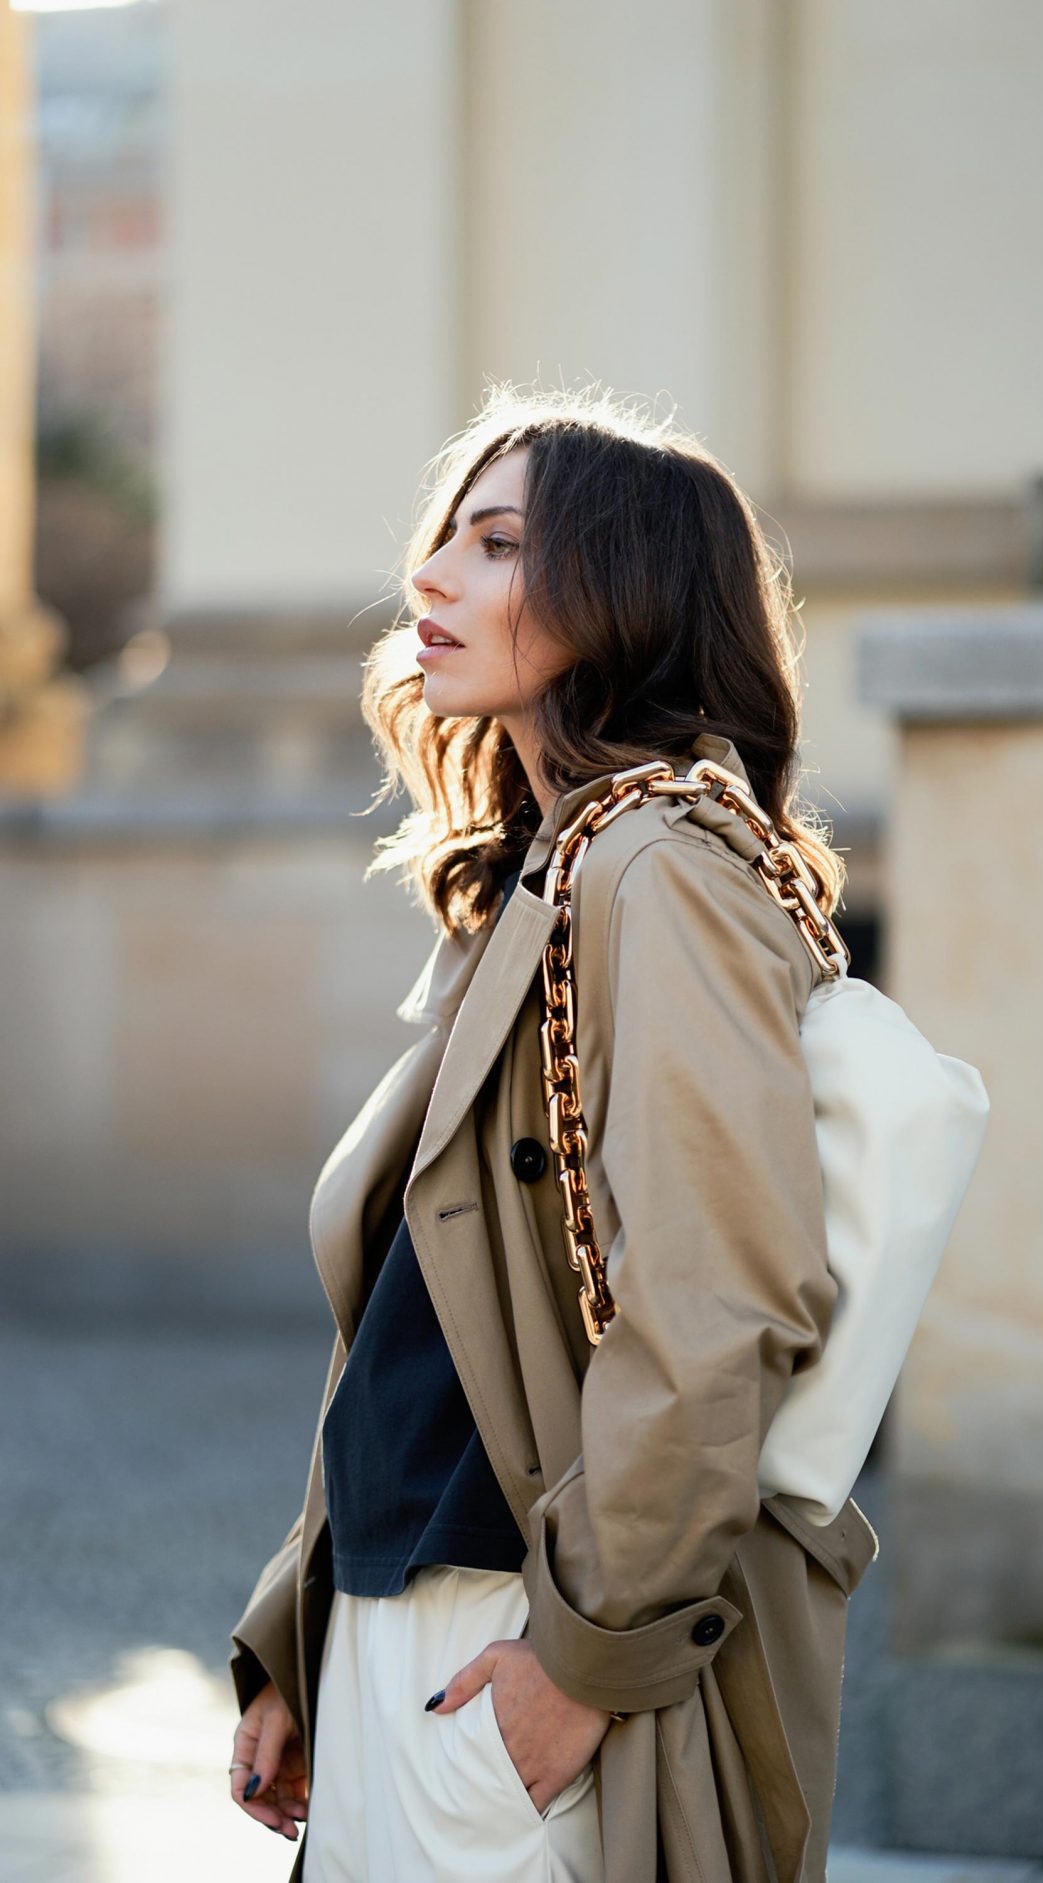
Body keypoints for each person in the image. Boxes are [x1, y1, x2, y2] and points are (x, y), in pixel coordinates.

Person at [226, 385, 878, 1882]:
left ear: (625, 587)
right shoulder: (540, 876)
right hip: (411, 1623)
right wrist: (299, 1623)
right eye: (443, 535)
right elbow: (417, 1315)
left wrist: (582, 1664)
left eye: (498, 543)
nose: (431, 578)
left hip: (521, 1631)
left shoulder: (657, 866)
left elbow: (720, 1298)